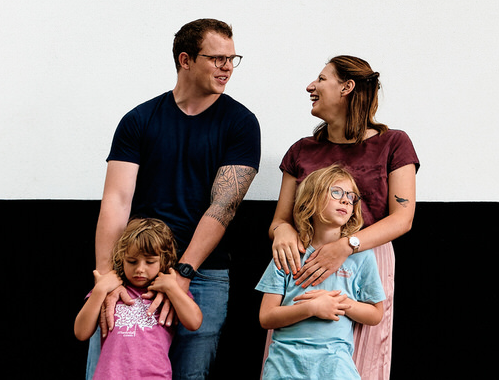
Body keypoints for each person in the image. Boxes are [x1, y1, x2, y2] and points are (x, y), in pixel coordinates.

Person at [88, 19, 261, 380]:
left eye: (232, 58)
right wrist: (107, 278)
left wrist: (182, 273)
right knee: (112, 371)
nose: (227, 67)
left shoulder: (241, 123)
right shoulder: (139, 120)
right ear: (185, 59)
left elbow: (223, 206)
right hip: (136, 270)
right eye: (216, 58)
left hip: (202, 274)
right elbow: (117, 201)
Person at [268, 56, 417, 380]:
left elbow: (402, 218)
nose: (311, 86)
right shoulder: (301, 150)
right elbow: (281, 220)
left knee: (359, 366)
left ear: (347, 87)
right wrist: (281, 233)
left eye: (321, 79)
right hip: (303, 266)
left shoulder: (394, 143)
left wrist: (347, 246)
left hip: (365, 265)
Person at [257, 165, 387, 379]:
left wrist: (339, 304)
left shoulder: (361, 257)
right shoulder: (289, 253)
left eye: (351, 196)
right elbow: (266, 317)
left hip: (335, 367)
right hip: (284, 368)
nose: (346, 200)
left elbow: (375, 314)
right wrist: (312, 308)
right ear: (310, 201)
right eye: (336, 192)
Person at [75, 218, 203, 380]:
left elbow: (194, 322)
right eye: (132, 261)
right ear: (121, 258)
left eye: (150, 262)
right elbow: (81, 332)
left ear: (163, 260)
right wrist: (100, 289)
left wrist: (172, 288)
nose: (140, 269)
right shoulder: (112, 291)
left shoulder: (167, 294)